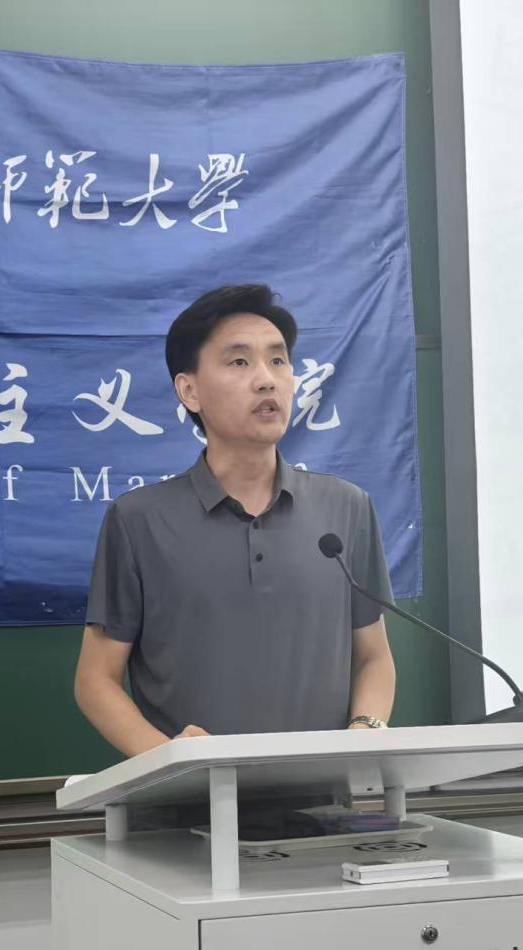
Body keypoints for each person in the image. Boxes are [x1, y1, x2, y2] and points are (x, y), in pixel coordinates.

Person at [74, 284, 397, 761]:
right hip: (192, 802)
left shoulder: (346, 508)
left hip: (325, 795)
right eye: (240, 362)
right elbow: (95, 680)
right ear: (189, 391)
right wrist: (172, 762)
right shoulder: (138, 520)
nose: (267, 380)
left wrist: (365, 730)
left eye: (278, 360)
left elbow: (373, 656)